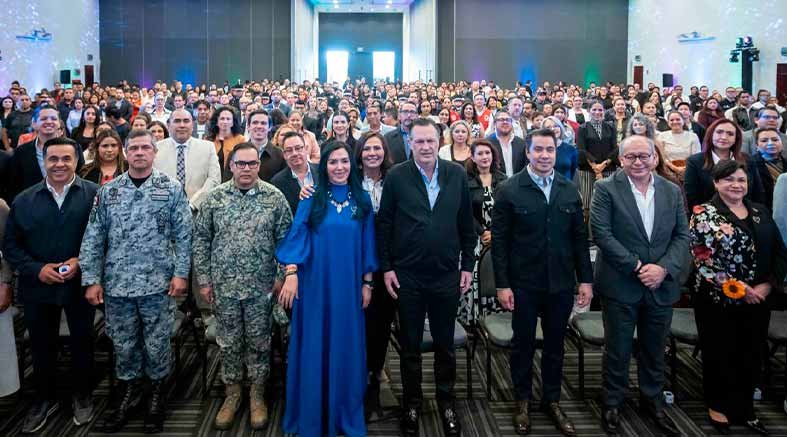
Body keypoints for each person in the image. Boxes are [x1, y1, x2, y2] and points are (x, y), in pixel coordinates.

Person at [79, 128, 192, 434]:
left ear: (155, 152)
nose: (140, 153)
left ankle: (156, 395)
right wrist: (91, 279)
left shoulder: (171, 189)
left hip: (159, 284)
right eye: (134, 148)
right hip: (118, 285)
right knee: (124, 343)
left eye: (145, 147)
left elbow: (184, 236)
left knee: (157, 343)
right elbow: (93, 237)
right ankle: (129, 393)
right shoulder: (109, 192)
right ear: (125, 153)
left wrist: (181, 274)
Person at [376, 118, 475, 436]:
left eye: (430, 140)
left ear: (439, 141)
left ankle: (447, 402)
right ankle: (412, 403)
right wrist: (387, 268)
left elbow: (467, 225)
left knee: (445, 345)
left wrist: (468, 266)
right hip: (408, 276)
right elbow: (385, 225)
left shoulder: (456, 174)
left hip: (446, 274)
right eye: (419, 141)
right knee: (410, 347)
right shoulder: (396, 176)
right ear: (410, 143)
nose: (425, 146)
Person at [492, 129, 593, 436]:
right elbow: (499, 243)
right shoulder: (509, 189)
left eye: (550, 149)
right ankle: (522, 400)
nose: (544, 155)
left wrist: (585, 280)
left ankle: (552, 400)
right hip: (523, 283)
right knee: (522, 345)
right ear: (528, 152)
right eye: (538, 149)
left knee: (555, 346)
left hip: (560, 283)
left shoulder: (568, 189)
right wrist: (502, 285)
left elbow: (579, 239)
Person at [590, 135, 690, 436]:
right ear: (621, 160)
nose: (638, 162)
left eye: (644, 156)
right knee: (618, 349)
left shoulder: (672, 190)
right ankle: (613, 401)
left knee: (654, 348)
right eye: (631, 156)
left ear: (655, 158)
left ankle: (652, 400)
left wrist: (663, 268)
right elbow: (601, 233)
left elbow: (682, 236)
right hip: (621, 283)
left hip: (661, 284)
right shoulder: (605, 188)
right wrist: (636, 267)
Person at [275, 141, 377, 437]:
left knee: (345, 346)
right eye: (333, 162)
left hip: (348, 287)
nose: (339, 167)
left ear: (352, 165)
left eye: (344, 161)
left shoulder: (362, 200)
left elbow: (368, 245)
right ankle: (312, 415)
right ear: (324, 166)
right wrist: (291, 273)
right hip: (315, 287)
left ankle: (342, 412)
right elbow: (295, 239)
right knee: (314, 346)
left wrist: (367, 283)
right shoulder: (311, 198)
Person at [193, 142, 293, 430]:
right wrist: (204, 281)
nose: (246, 168)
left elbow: (286, 241)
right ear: (231, 166)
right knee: (229, 342)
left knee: (260, 342)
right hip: (224, 287)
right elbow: (201, 241)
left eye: (252, 163)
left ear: (259, 166)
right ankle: (233, 393)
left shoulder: (274, 198)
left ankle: (257, 394)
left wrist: (281, 277)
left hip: (262, 288)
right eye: (241, 163)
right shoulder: (214, 198)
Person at [2, 137, 99, 433]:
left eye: (66, 158)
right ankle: (44, 399)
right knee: (42, 346)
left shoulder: (95, 195)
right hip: (38, 286)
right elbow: (11, 246)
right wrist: (37, 269)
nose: (59, 164)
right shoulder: (23, 200)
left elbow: (105, 237)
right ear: (44, 161)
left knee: (82, 342)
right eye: (53, 158)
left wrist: (81, 261)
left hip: (80, 284)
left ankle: (82, 395)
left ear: (77, 161)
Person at [689, 160, 787, 435]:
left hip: (759, 297)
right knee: (720, 351)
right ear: (716, 183)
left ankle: (745, 407)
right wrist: (739, 288)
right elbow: (702, 259)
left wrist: (768, 284)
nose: (736, 185)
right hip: (717, 298)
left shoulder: (760, 211)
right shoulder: (703, 213)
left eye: (741, 180)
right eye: (729, 179)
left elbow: (780, 252)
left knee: (751, 351)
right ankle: (718, 405)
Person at [458, 139, 507, 325]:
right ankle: (473, 321)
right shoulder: (465, 180)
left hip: (499, 237)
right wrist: (481, 232)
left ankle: (496, 320)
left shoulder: (503, 179)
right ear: (472, 157)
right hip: (474, 239)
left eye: (488, 153)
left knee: (497, 276)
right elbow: (463, 210)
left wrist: (494, 232)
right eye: (480, 153)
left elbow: (508, 210)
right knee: (474, 279)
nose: (484, 157)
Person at [6, 106, 85, 201]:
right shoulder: (21, 152)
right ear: (34, 124)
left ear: (59, 123)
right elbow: (14, 184)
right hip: (32, 203)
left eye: (53, 118)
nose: (49, 122)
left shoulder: (74, 148)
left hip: (68, 202)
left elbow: (81, 175)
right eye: (43, 119)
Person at [684, 118, 762, 210]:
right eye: (719, 132)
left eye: (730, 134)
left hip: (745, 213)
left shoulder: (748, 160)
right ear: (711, 134)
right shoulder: (695, 162)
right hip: (708, 215)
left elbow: (758, 193)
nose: (724, 137)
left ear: (736, 139)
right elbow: (692, 197)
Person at [154, 108, 221, 210]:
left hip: (198, 211)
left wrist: (193, 204)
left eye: (186, 121)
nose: (182, 125)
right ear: (168, 125)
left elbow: (214, 179)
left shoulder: (208, 148)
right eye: (177, 121)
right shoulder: (155, 149)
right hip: (164, 211)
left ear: (192, 125)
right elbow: (152, 181)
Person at [576, 101, 617, 218]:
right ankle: (588, 228)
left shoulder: (610, 126)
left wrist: (603, 165)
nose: (597, 112)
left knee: (608, 201)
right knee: (588, 202)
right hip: (588, 169)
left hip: (608, 168)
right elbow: (582, 149)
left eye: (600, 110)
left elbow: (615, 148)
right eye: (594, 109)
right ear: (589, 111)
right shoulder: (582, 128)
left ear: (604, 111)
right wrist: (595, 167)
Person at [271, 131, 319, 214]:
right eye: (289, 150)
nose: (295, 153)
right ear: (284, 155)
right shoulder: (277, 182)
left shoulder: (322, 171)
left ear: (306, 149)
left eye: (298, 148)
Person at [656, 110, 702, 181]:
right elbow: (662, 157)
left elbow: (696, 156)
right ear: (668, 122)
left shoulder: (693, 136)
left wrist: (685, 169)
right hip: (668, 171)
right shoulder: (662, 136)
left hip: (690, 169)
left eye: (678, 119)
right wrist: (675, 168)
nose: (675, 122)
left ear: (683, 121)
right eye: (672, 120)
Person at [244, 109, 286, 182]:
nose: (259, 126)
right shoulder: (237, 153)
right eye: (255, 123)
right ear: (248, 126)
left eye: (263, 123)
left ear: (270, 127)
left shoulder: (280, 155)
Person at [488, 110, 528, 177]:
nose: (505, 122)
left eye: (508, 120)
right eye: (501, 120)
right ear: (494, 124)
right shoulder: (488, 143)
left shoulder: (521, 143)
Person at [208, 106, 246, 172]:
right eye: (222, 119)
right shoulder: (208, 140)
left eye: (228, 119)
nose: (225, 122)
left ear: (233, 122)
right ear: (216, 122)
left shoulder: (241, 140)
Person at [542, 116, 578, 180]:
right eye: (548, 127)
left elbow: (573, 171)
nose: (553, 129)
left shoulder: (571, 149)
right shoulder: (539, 150)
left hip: (566, 184)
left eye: (555, 126)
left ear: (560, 128)